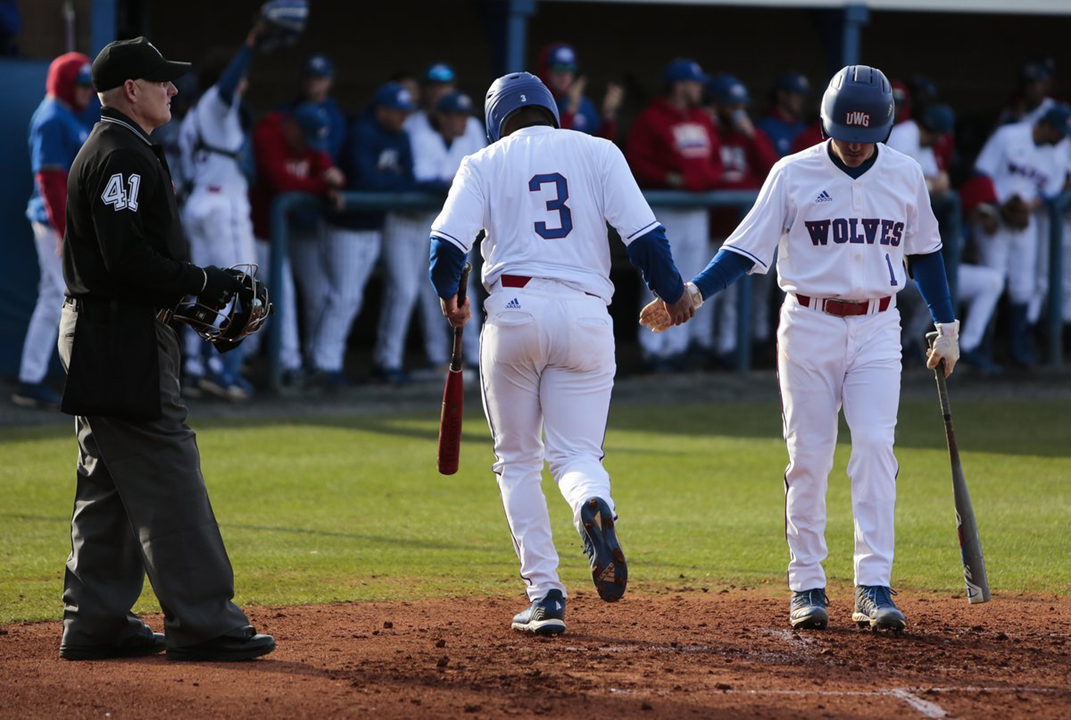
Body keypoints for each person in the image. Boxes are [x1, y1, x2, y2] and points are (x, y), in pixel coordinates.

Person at [642, 65, 960, 633]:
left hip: (879, 327)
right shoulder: (792, 173)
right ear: (825, 122)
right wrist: (692, 293)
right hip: (808, 325)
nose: (857, 143)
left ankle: (873, 586)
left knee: (874, 450)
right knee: (809, 457)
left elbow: (928, 253)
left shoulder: (906, 174)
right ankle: (807, 585)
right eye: (846, 131)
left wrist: (947, 324)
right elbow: (743, 249)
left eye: (867, 133)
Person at [429, 72, 694, 635]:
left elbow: (444, 250)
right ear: (551, 110)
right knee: (577, 456)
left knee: (518, 461)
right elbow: (646, 239)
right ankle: (590, 502)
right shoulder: (599, 150)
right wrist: (674, 297)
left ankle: (546, 595)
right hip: (586, 314)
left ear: (496, 120)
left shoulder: (482, 161)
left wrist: (452, 298)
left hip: (515, 313)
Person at [58, 36, 273, 661]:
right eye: (163, 80)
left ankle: (95, 621)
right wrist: (203, 282)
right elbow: (125, 259)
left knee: (109, 480)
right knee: (169, 472)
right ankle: (205, 621)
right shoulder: (121, 154)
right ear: (133, 89)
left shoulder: (120, 148)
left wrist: (186, 290)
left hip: (107, 328)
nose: (174, 89)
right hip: (119, 334)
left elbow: (123, 258)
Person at [298, 82, 415, 385]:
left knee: (350, 299)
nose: (403, 117)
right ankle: (322, 363)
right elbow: (364, 180)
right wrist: (391, 180)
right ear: (381, 110)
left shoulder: (402, 137)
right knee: (342, 296)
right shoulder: (362, 132)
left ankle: (326, 361)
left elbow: (409, 180)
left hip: (372, 227)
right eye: (397, 111)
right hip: (344, 226)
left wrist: (387, 181)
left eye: (406, 111)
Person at [177, 21, 265, 399]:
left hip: (200, 202)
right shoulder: (215, 101)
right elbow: (228, 85)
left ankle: (197, 367)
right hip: (220, 205)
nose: (244, 82)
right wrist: (249, 44)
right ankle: (217, 369)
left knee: (204, 290)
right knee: (240, 288)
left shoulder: (194, 115)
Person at [626, 58, 721, 371]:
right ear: (679, 85)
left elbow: (716, 162)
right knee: (659, 277)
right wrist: (670, 179)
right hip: (666, 208)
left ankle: (678, 348)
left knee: (693, 280)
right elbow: (637, 161)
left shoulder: (704, 119)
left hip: (698, 209)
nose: (699, 89)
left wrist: (701, 179)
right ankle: (653, 349)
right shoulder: (651, 118)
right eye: (695, 84)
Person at [13, 53, 93, 409]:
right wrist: (65, 230)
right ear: (65, 83)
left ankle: (58, 374)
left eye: (90, 85)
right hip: (51, 222)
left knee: (61, 296)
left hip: (62, 222)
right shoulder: (51, 117)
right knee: (54, 295)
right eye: (81, 84)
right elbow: (49, 179)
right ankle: (30, 379)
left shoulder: (68, 116)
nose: (87, 92)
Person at [248, 102, 345, 384]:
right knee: (247, 301)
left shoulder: (309, 142)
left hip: (274, 238)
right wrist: (322, 187)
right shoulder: (269, 134)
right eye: (305, 137)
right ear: (291, 126)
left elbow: (331, 171)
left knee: (280, 297)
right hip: (248, 230)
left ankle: (286, 364)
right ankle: (232, 363)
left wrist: (333, 181)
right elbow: (280, 182)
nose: (309, 146)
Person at [394, 90, 485, 378]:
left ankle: (476, 357)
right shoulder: (422, 137)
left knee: (464, 289)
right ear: (441, 117)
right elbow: (419, 180)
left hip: (455, 223)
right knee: (426, 292)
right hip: (418, 220)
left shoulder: (470, 135)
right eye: (456, 115)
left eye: (464, 115)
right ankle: (437, 358)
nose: (462, 121)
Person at [973, 102, 1071, 366]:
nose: (1062, 138)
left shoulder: (1056, 155)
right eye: (1059, 131)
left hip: (1024, 223)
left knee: (1023, 287)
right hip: (994, 218)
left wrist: (1029, 206)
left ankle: (1016, 347)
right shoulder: (1009, 135)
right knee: (993, 281)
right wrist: (993, 207)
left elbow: (1049, 192)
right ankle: (981, 347)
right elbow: (982, 172)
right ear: (1046, 125)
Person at [704, 73, 779, 366]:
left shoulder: (751, 135)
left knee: (750, 296)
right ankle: (717, 348)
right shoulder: (707, 131)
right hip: (716, 226)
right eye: (730, 105)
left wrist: (751, 135)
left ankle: (745, 346)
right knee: (716, 293)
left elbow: (773, 167)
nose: (735, 111)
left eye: (739, 106)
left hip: (749, 228)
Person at [536, 42, 623, 141]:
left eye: (569, 69)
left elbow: (601, 144)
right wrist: (570, 111)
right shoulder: (538, 104)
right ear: (546, 70)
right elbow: (550, 144)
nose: (564, 75)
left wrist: (608, 115)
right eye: (558, 68)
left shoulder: (584, 104)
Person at [756, 70, 812, 158]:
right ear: (781, 95)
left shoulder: (802, 127)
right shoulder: (763, 127)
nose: (801, 100)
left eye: (803, 95)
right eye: (797, 94)